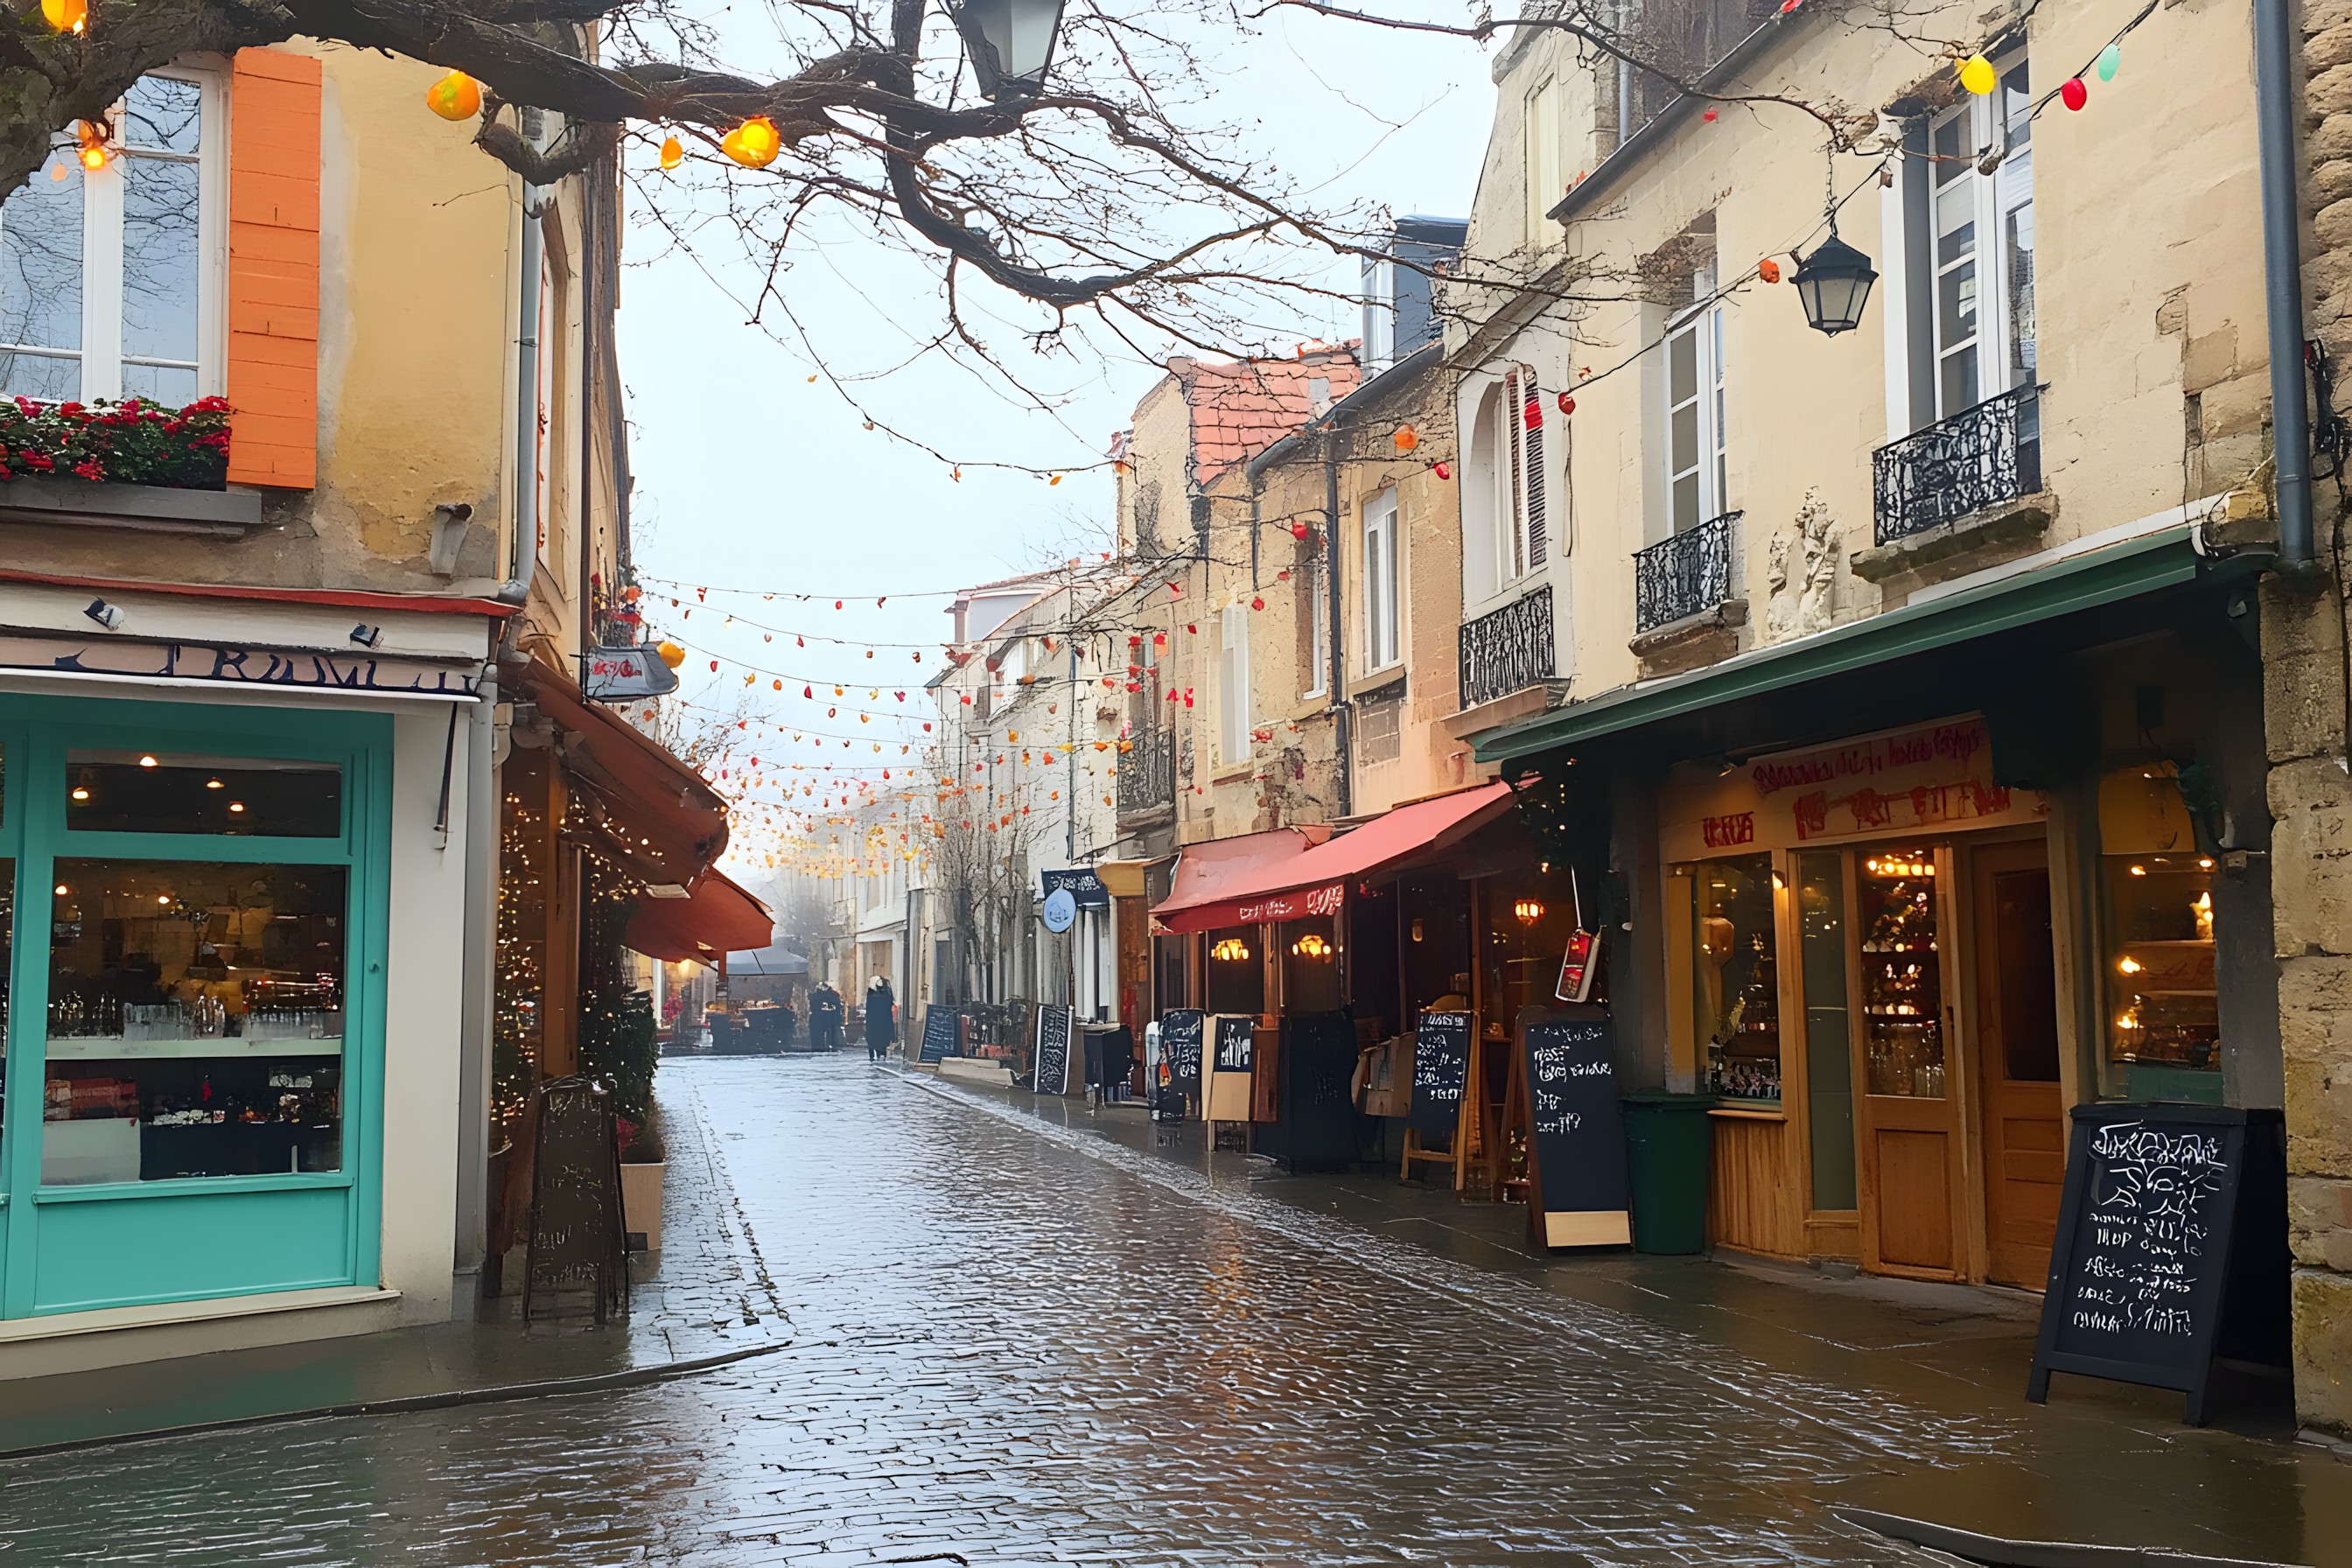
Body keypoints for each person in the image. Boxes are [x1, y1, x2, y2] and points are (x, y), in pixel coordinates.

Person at [864, 976, 898, 1060]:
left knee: (876, 1038)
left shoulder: (872, 992)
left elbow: (869, 1006)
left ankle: (878, 1053)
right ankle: (881, 1053)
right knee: (880, 1037)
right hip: (882, 1018)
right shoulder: (886, 991)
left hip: (876, 1019)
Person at [808, 979, 844, 1053]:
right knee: (819, 1038)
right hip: (821, 1018)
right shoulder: (817, 996)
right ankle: (821, 1047)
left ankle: (830, 1046)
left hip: (828, 1018)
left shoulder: (832, 995)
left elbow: (837, 1006)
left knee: (832, 1035)